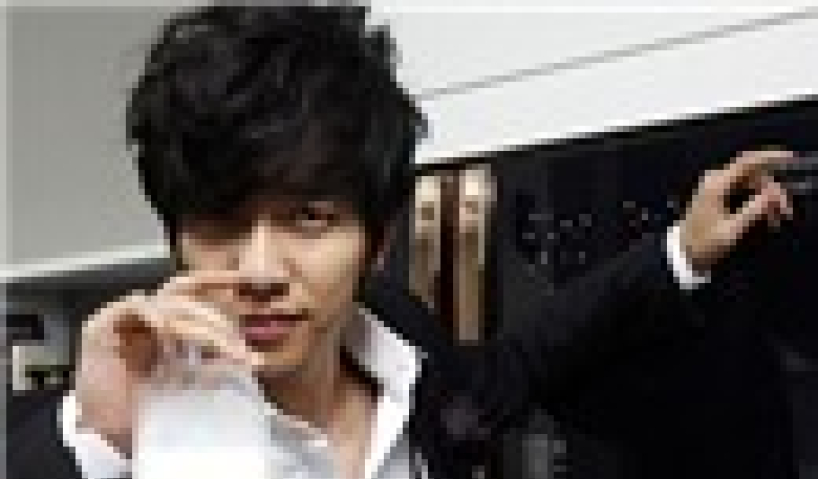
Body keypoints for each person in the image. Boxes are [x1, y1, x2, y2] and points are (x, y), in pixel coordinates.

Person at [8, 4, 797, 479]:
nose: (259, 270)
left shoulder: (400, 341)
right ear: (176, 238)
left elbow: (521, 361)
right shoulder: (130, 418)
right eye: (221, 223)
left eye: (308, 218)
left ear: (377, 239)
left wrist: (682, 250)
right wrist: (101, 440)